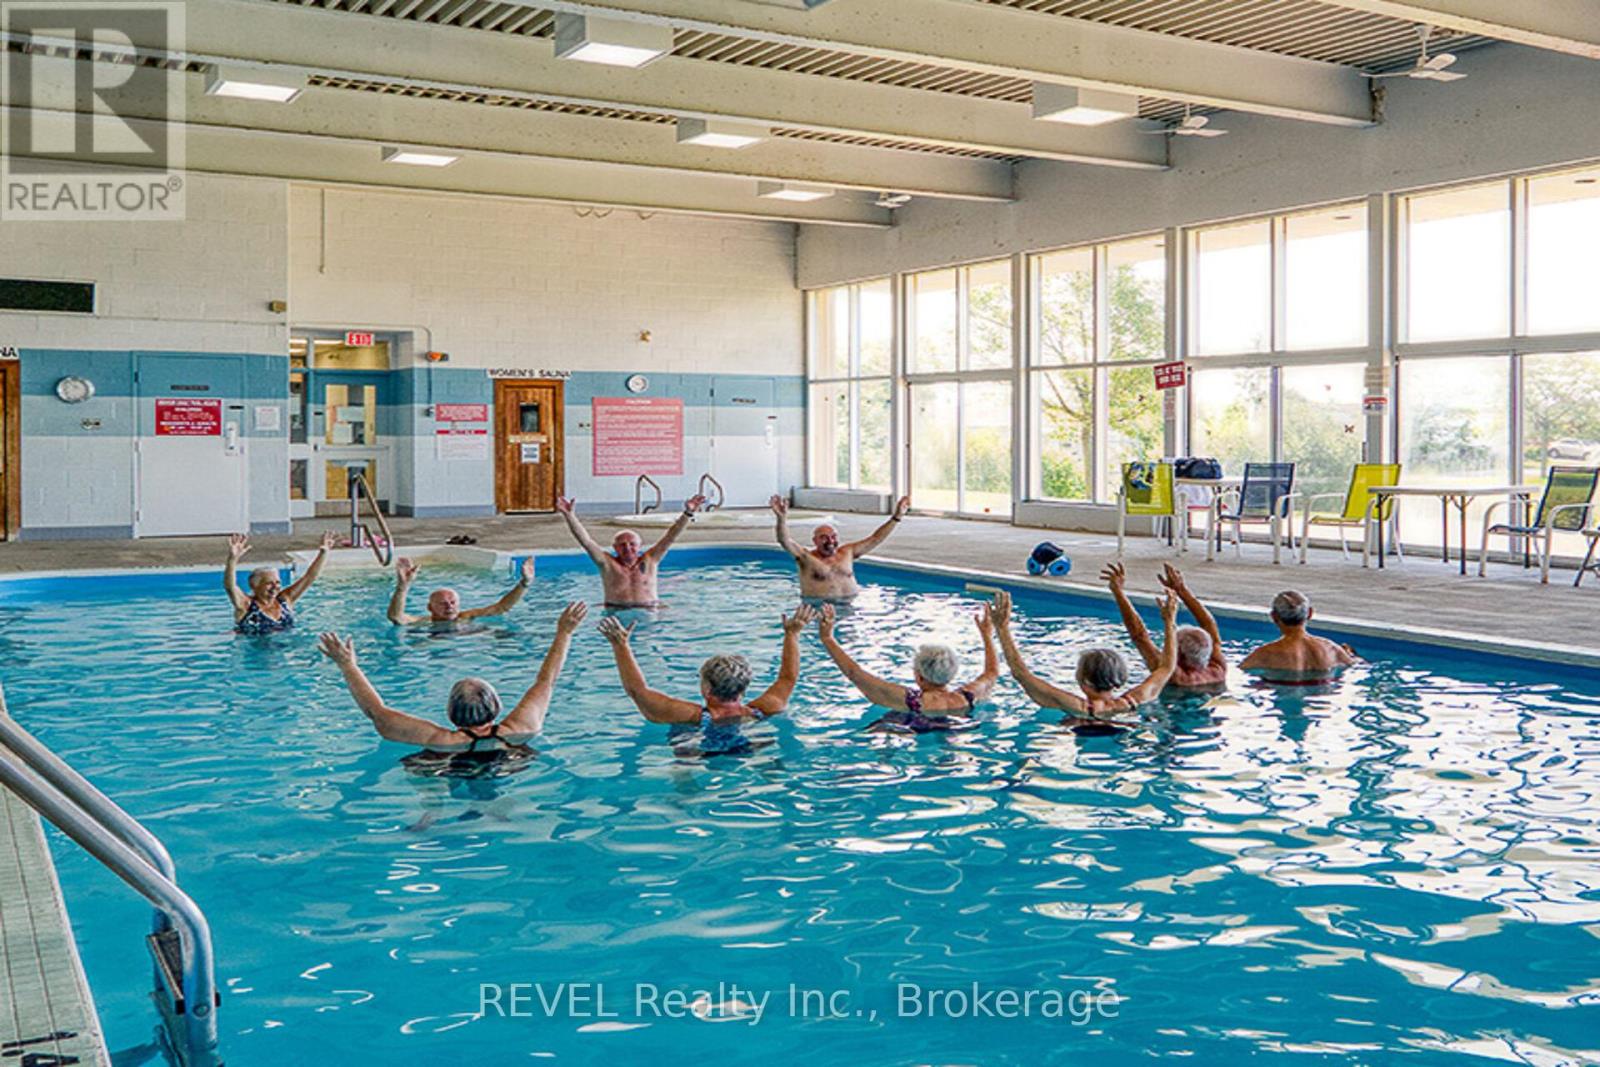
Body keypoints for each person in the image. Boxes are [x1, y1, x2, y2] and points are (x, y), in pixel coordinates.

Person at [320, 601, 588, 753]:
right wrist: (564, 632)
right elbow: (546, 681)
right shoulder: (521, 728)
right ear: (496, 706)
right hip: (510, 761)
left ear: (450, 712)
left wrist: (348, 665)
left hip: (449, 765)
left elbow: (376, 712)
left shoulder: (439, 740)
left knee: (422, 765)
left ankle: (432, 808)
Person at [596, 605, 815, 749]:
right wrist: (792, 634)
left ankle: (686, 791)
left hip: (699, 755)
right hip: (750, 747)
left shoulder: (687, 715)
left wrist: (621, 645)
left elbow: (637, 691)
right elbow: (788, 678)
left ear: (707, 690)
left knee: (682, 749)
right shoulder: (766, 709)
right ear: (743, 689)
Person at [989, 589, 1179, 723]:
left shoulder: (1074, 706)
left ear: (1084, 680)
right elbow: (1166, 667)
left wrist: (1002, 629)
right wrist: (1169, 622)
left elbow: (1021, 674)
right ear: (1121, 677)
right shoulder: (1135, 700)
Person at [815, 602, 999, 732]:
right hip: (959, 726)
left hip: (913, 726)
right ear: (953, 673)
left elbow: (854, 673)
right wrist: (987, 634)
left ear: (919, 676)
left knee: (882, 725)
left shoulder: (910, 700)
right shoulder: (967, 697)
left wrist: (827, 638)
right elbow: (991, 672)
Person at [555, 495, 706, 608]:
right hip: (616, 611)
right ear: (615, 548)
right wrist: (569, 516)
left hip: (649, 610)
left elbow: (671, 537)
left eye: (632, 544)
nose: (627, 548)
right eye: (622, 545)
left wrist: (688, 513)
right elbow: (586, 541)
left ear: (639, 546)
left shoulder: (651, 560)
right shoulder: (607, 564)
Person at [1101, 562, 1227, 690]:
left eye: (1172, 643)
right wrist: (1181, 590)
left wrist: (1118, 591)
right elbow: (1209, 624)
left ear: (1178, 652)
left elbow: (1139, 636)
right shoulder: (1218, 669)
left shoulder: (1174, 675)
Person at [769, 494, 912, 600]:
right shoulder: (806, 558)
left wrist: (896, 517)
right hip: (819, 608)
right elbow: (784, 540)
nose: (830, 541)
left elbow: (875, 539)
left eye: (833, 537)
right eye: (824, 537)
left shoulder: (847, 552)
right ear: (815, 541)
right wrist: (781, 519)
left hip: (849, 608)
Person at [225, 531, 336, 634]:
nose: (275, 587)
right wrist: (232, 560)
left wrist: (323, 553)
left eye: (278, 582)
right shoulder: (246, 605)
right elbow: (230, 586)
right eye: (269, 583)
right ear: (254, 585)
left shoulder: (285, 600)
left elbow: (309, 578)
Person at [1239, 590, 1358, 678]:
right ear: (1310, 613)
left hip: (1284, 697)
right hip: (1321, 699)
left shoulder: (1264, 654)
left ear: (1274, 617)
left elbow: (1239, 672)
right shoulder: (1332, 649)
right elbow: (1355, 665)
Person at [388, 556, 534, 626]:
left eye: (452, 603)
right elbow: (396, 617)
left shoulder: (467, 617)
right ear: (429, 608)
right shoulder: (423, 622)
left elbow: (501, 607)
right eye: (443, 604)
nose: (449, 607)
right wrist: (403, 586)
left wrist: (525, 583)